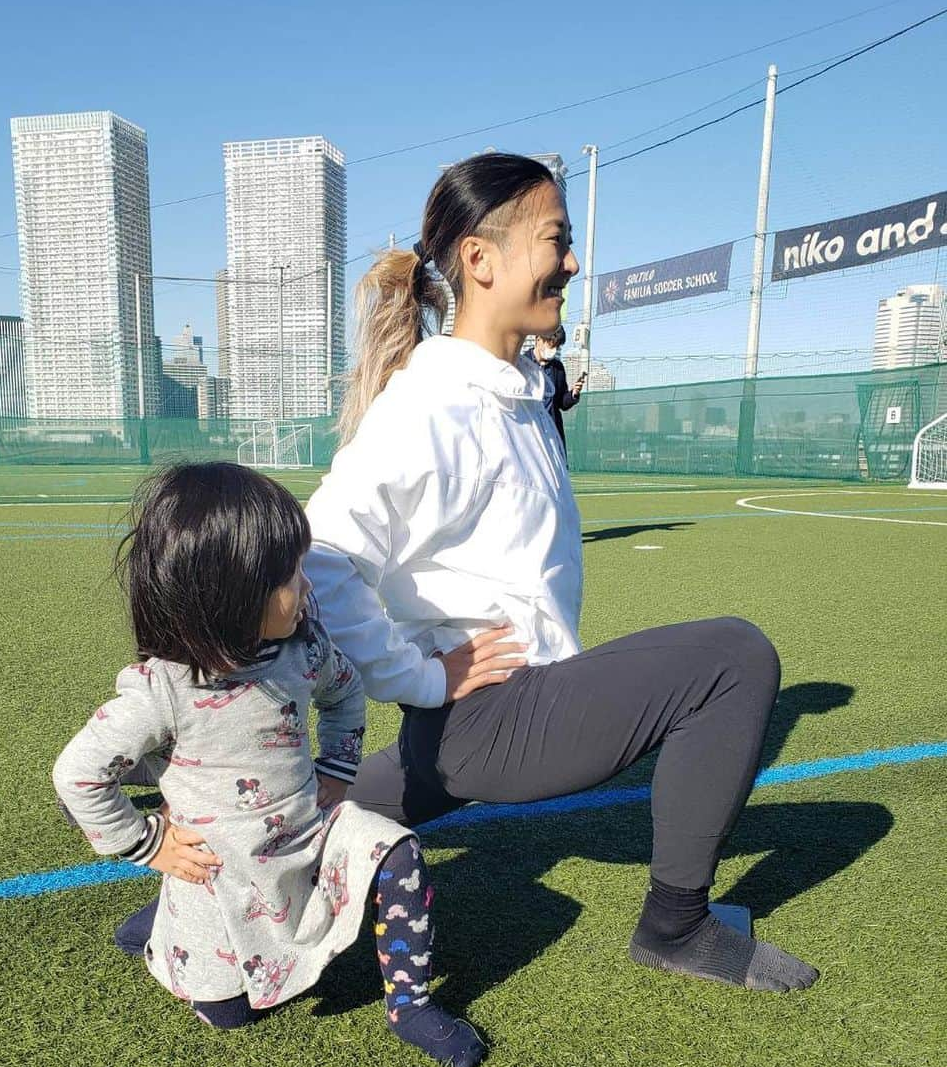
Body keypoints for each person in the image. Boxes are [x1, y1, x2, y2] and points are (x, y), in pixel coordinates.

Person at [303, 152, 818, 995]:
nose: (573, 263)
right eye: (557, 241)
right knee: (734, 658)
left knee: (308, 815)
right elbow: (318, 553)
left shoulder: (511, 386)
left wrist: (541, 374)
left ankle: (215, 869)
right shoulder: (433, 407)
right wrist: (418, 677)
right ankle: (677, 928)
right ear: (480, 260)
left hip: (465, 731)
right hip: (492, 720)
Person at [55, 463, 486, 1067]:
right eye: (291, 575)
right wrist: (148, 845)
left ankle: (410, 1005)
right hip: (221, 866)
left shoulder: (304, 646)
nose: (307, 587)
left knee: (399, 850)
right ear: (228, 593)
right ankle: (168, 921)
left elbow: (345, 694)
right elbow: (77, 774)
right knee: (228, 1016)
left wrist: (337, 771)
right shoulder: (165, 687)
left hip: (308, 829)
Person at [531, 325, 584, 456]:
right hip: (529, 434)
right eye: (551, 345)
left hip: (552, 433)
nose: (553, 350)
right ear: (538, 339)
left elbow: (562, 403)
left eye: (557, 347)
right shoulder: (522, 364)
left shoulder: (558, 368)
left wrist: (573, 394)